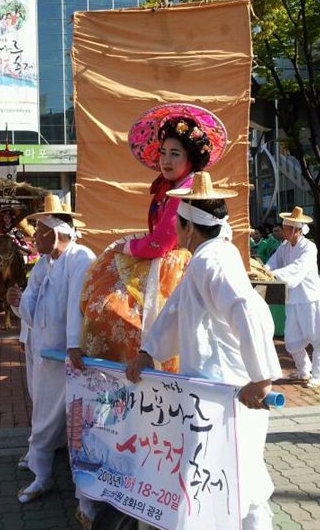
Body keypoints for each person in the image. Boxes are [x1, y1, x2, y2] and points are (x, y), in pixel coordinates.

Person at [127, 171, 282, 530]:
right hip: (226, 397)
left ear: (188, 226)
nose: (172, 229)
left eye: (175, 222)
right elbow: (176, 313)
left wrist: (260, 378)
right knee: (248, 489)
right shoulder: (211, 257)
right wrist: (149, 353)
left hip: (226, 400)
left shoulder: (212, 261)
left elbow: (247, 311)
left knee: (206, 494)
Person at [81, 102, 228, 372]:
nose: (166, 160)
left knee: (118, 311)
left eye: (175, 154)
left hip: (173, 265)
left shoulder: (183, 192)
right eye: (163, 153)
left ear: (190, 159)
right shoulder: (169, 188)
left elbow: (161, 243)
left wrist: (128, 247)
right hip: (160, 259)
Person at [7, 195, 96, 505]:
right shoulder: (46, 263)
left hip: (68, 356)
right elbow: (33, 305)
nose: (34, 237)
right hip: (45, 352)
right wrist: (18, 304)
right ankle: (41, 469)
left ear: (58, 234)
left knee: (69, 420)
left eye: (40, 232)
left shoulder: (79, 258)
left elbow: (77, 306)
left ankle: (65, 484)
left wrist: (74, 344)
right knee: (43, 410)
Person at [265, 207, 320, 388]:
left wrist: (273, 275)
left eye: (286, 228)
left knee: (317, 339)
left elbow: (296, 269)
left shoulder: (309, 248)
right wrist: (264, 271)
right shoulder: (284, 247)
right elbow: (273, 262)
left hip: (310, 298)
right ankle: (303, 369)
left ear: (296, 230)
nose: (283, 230)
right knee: (291, 341)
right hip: (292, 298)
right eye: (284, 227)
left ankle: (316, 375)